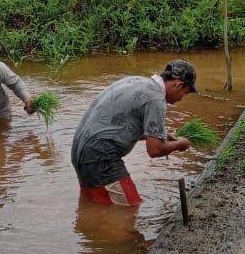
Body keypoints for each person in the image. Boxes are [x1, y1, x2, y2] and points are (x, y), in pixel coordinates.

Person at [70, 59, 198, 206]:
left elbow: (119, 126)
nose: (182, 98)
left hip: (80, 151)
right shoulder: (156, 99)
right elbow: (155, 150)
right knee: (130, 208)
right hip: (100, 157)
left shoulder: (136, 81)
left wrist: (158, 135)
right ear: (179, 85)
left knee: (93, 207)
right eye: (186, 93)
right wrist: (180, 144)